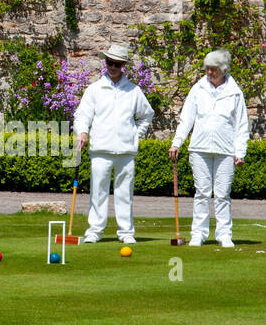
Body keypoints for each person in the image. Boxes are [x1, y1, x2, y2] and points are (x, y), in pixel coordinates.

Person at [74, 43, 154, 244]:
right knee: (98, 192)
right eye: (109, 62)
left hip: (126, 151)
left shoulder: (133, 91)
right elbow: (82, 114)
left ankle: (126, 233)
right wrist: (82, 132)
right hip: (100, 149)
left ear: (122, 66)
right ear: (105, 63)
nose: (112, 67)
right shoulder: (95, 89)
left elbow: (147, 115)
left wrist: (137, 134)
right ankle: (94, 231)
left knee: (124, 194)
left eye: (116, 64)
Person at [169, 49, 249, 247]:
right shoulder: (198, 89)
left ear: (223, 69)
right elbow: (186, 118)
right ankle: (199, 234)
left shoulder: (235, 92)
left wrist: (240, 152)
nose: (209, 73)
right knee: (202, 193)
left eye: (213, 69)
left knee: (222, 194)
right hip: (199, 148)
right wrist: (177, 142)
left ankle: (224, 235)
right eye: (207, 69)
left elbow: (241, 125)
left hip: (225, 150)